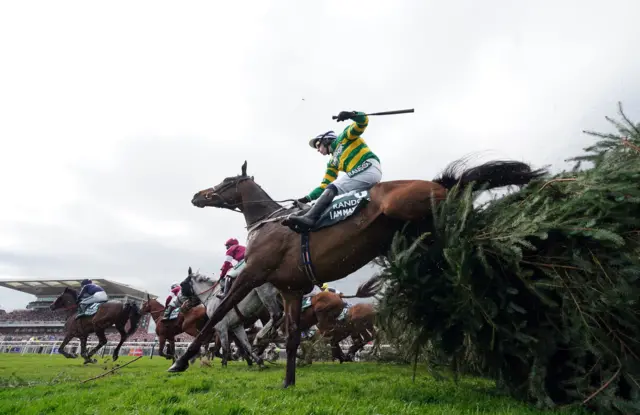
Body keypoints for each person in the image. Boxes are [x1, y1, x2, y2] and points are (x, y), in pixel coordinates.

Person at [285, 110, 382, 231]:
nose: (318, 150)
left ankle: (310, 218)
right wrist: (307, 198)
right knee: (334, 196)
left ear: (326, 140)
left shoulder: (344, 137)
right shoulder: (332, 163)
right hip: (361, 177)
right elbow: (324, 186)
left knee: (334, 187)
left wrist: (352, 115)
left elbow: (363, 122)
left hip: (368, 167)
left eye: (318, 145)